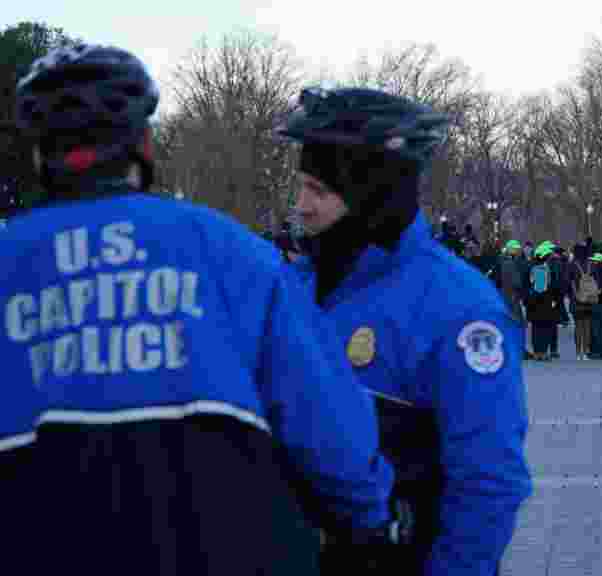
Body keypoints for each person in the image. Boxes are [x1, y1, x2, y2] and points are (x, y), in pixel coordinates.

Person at [5, 44, 400, 574]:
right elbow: (327, 420)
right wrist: (369, 520)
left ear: (38, 156)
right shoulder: (232, 250)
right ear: (144, 145)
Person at [278, 85, 532, 575]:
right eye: (302, 186)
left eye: (319, 190)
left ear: (370, 194)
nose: (301, 205)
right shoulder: (292, 287)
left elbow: (489, 481)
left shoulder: (456, 306)